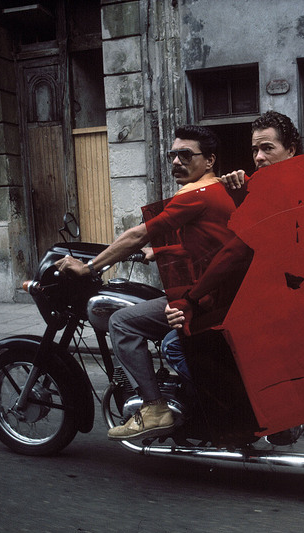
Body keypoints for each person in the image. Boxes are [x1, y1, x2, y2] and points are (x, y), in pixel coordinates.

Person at [56, 125, 237, 441]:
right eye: (173, 154)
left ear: (209, 161)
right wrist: (158, 252)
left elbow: (137, 233)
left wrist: (89, 268)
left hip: (206, 299)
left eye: (186, 155)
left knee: (123, 322)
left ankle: (154, 409)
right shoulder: (214, 192)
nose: (177, 161)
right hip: (221, 294)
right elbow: (209, 247)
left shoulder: (196, 194)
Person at [161, 111, 302, 375]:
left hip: (276, 306)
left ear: (291, 150)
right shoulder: (265, 191)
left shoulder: (283, 194)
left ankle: (222, 414)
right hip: (271, 298)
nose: (259, 157)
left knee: (173, 345)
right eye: (255, 150)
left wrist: (191, 298)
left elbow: (238, 250)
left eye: (267, 148)